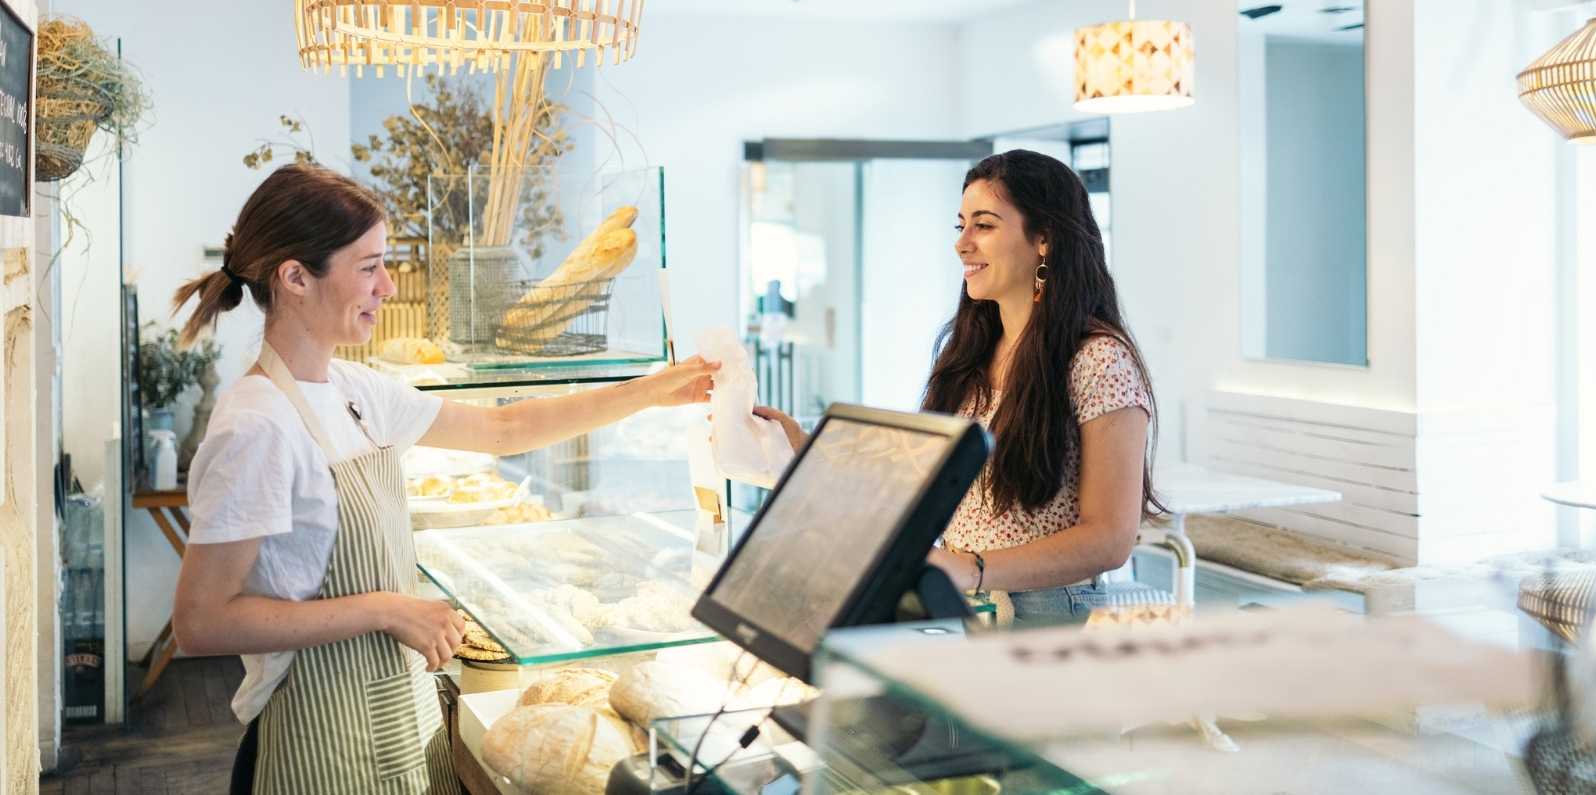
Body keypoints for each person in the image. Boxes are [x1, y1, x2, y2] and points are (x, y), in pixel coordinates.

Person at [169, 164, 717, 794]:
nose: (390, 286)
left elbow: (504, 431)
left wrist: (651, 392)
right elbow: (202, 620)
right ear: (295, 277)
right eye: (369, 266)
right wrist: (383, 609)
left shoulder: (353, 391)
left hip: (393, 719)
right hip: (314, 742)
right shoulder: (257, 426)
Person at [756, 149, 1163, 624]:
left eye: (984, 226)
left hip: (1046, 616)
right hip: (970, 608)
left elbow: (1110, 539)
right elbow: (926, 485)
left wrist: (969, 569)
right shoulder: (971, 353)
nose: (962, 244)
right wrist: (808, 451)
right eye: (961, 226)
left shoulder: (1099, 358)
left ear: (1045, 239)